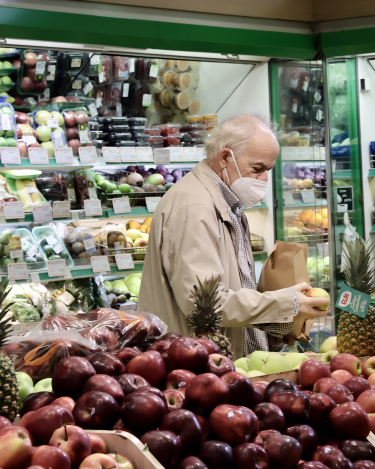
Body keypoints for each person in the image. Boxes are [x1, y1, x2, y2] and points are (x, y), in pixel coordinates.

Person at [138, 114, 329, 358]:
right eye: (257, 168)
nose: (264, 179)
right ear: (226, 158)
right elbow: (204, 303)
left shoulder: (227, 203)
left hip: (225, 359)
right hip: (199, 363)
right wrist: (285, 303)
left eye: (268, 170)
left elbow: (234, 288)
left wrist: (276, 322)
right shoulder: (195, 208)